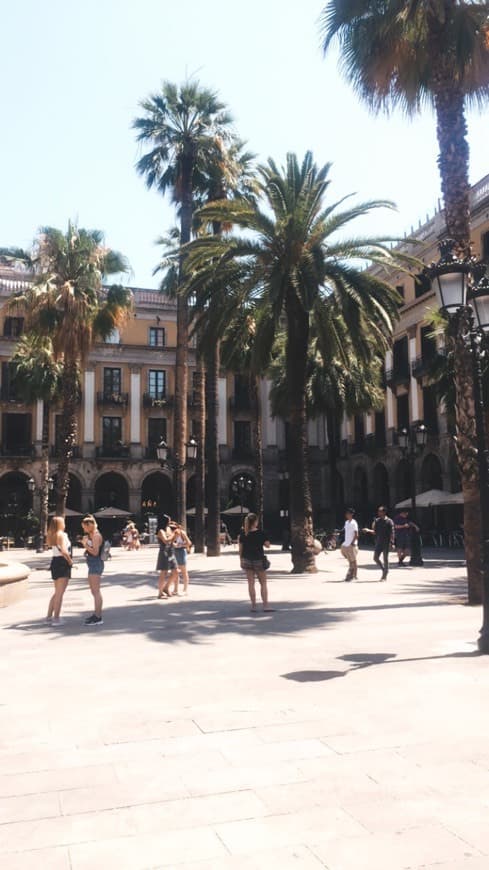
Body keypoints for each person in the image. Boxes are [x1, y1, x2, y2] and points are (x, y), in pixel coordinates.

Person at [238, 512, 273, 613]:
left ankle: (253, 606)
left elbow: (240, 549)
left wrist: (240, 560)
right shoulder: (261, 533)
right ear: (255, 522)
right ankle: (265, 605)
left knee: (251, 584)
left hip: (247, 560)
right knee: (263, 583)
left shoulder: (243, 534)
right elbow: (267, 545)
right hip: (258, 560)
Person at [46, 516, 73, 624]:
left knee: (57, 592)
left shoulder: (52, 535)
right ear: (60, 524)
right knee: (60, 593)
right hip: (62, 562)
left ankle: (49, 617)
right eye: (63, 522)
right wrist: (70, 561)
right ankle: (56, 618)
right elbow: (64, 550)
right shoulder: (62, 535)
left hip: (55, 562)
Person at [81, 515, 104, 625]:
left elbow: (95, 552)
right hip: (93, 564)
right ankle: (96, 614)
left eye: (84, 527)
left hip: (95, 563)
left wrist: (85, 544)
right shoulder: (92, 535)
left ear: (90, 525)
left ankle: (98, 617)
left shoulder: (95, 536)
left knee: (96, 591)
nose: (84, 529)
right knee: (94, 591)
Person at [363, 506, 395, 581]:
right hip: (379, 542)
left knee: (385, 559)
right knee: (375, 558)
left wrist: (392, 543)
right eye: (378, 511)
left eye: (380, 511)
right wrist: (368, 530)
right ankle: (384, 570)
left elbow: (392, 533)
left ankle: (384, 575)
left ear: (384, 512)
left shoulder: (389, 521)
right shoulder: (377, 521)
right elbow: (375, 532)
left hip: (386, 542)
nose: (378, 513)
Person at [156, 514, 179, 598]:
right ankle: (160, 593)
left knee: (176, 571)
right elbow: (165, 541)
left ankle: (166, 587)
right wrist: (174, 534)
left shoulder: (169, 529)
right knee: (164, 572)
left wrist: (175, 538)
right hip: (164, 552)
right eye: (168, 520)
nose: (170, 521)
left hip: (171, 551)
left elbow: (171, 540)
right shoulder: (161, 531)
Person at [172, 522, 192, 595]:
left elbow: (189, 543)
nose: (173, 529)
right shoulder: (171, 533)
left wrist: (180, 545)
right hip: (174, 551)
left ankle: (185, 589)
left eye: (174, 528)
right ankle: (175, 589)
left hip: (181, 551)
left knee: (183, 570)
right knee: (175, 571)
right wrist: (174, 545)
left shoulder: (182, 533)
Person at [340, 508, 359, 581]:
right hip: (346, 543)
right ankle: (351, 574)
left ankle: (355, 575)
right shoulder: (346, 522)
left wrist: (353, 543)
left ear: (351, 514)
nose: (346, 515)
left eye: (348, 513)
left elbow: (356, 534)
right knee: (350, 561)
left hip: (352, 544)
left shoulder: (354, 523)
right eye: (346, 513)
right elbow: (344, 530)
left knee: (354, 561)